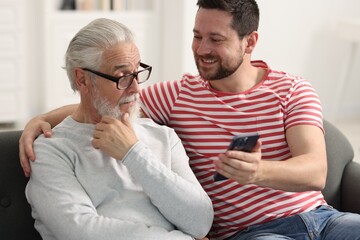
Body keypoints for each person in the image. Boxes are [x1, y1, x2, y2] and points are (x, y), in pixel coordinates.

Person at [20, 0, 360, 240]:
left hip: (322, 218)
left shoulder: (292, 90)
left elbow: (316, 172)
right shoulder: (178, 95)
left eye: (216, 39)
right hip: (256, 234)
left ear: (250, 42)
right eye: (197, 36)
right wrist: (39, 120)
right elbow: (98, 103)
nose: (201, 49)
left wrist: (258, 171)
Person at [24, 18, 213, 240]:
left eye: (137, 72)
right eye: (123, 76)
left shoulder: (162, 136)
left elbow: (200, 222)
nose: (135, 88)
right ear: (82, 80)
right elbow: (80, 232)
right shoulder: (51, 151)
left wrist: (133, 153)